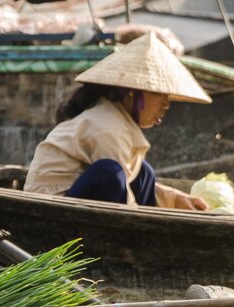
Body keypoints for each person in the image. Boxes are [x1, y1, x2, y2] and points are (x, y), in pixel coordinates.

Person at [24, 32, 210, 209]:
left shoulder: (115, 121)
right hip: (51, 209)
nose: (165, 105)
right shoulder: (106, 126)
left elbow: (131, 183)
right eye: (157, 93)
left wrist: (177, 199)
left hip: (74, 201)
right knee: (109, 173)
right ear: (131, 93)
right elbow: (120, 188)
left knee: (144, 173)